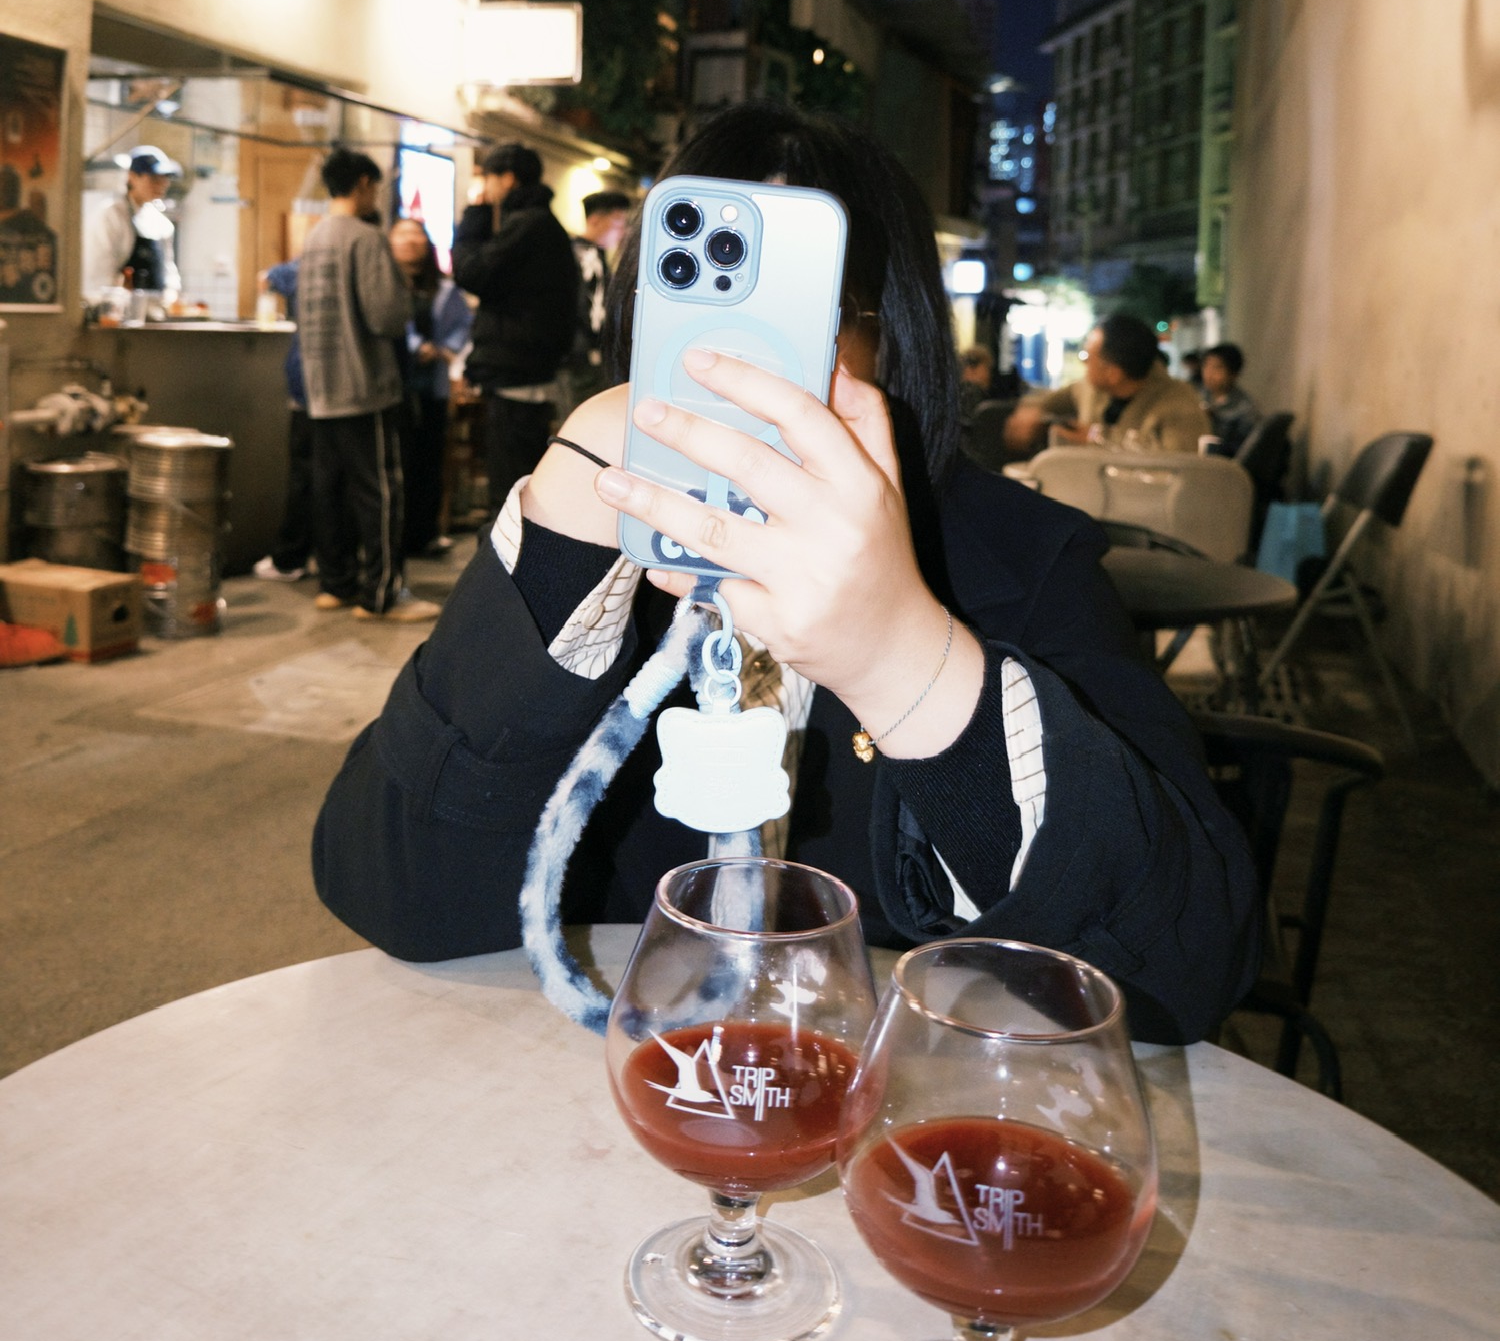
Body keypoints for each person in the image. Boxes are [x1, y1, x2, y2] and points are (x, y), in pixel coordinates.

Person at [313, 105, 1260, 1045]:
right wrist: (563, 535)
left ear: (894, 333)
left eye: (797, 312)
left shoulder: (1026, 557)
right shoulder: (605, 532)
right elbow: (397, 895)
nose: (741, 360)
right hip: (625, 1088)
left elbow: (1182, 973)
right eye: (699, 306)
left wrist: (906, 662)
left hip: (901, 1097)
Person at [298, 149, 437, 625]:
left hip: (321, 387)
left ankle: (335, 585)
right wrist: (404, 296)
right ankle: (382, 595)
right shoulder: (365, 237)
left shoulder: (315, 236)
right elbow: (387, 317)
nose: (375, 195)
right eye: (374, 186)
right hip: (363, 386)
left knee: (329, 490)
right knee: (381, 492)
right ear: (361, 183)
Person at [451, 142, 579, 521]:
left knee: (509, 494)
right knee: (519, 487)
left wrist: (474, 215)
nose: (486, 188)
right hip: (526, 371)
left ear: (507, 179)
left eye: (488, 178)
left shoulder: (528, 225)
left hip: (517, 376)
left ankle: (508, 556)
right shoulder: (541, 224)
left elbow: (472, 272)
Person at [1004, 313, 1212, 457]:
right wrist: (1032, 410)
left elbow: (1180, 464)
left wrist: (1099, 437)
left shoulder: (1180, 404)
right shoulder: (1091, 388)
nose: (1084, 363)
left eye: (1088, 357)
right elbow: (1055, 399)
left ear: (1113, 374)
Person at [389, 217, 473, 557]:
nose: (411, 241)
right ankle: (395, 536)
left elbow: (464, 323)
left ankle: (425, 534)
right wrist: (415, 346)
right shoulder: (386, 282)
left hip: (433, 386)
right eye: (403, 235)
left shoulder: (445, 288)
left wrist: (444, 349)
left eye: (417, 236)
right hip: (396, 387)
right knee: (399, 462)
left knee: (430, 459)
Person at [252, 256, 313, 583]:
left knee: (304, 475)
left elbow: (267, 278)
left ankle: (290, 557)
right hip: (342, 390)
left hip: (307, 386)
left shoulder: (306, 266)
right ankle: (325, 558)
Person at [84, 145, 182, 306]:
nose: (162, 184)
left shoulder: (161, 223)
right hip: (118, 310)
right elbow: (99, 274)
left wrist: (170, 295)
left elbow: (169, 272)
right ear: (132, 177)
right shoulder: (111, 215)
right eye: (154, 178)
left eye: (165, 178)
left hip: (156, 311)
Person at [564, 188, 633, 412]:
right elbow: (592, 311)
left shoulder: (586, 253)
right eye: (617, 222)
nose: (622, 231)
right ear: (595, 220)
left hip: (580, 354)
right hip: (584, 356)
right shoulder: (587, 256)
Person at [1201, 342, 1261, 457]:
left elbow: (1242, 449)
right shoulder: (1199, 395)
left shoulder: (1245, 408)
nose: (1209, 373)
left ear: (1233, 374)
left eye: (1217, 367)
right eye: (1206, 366)